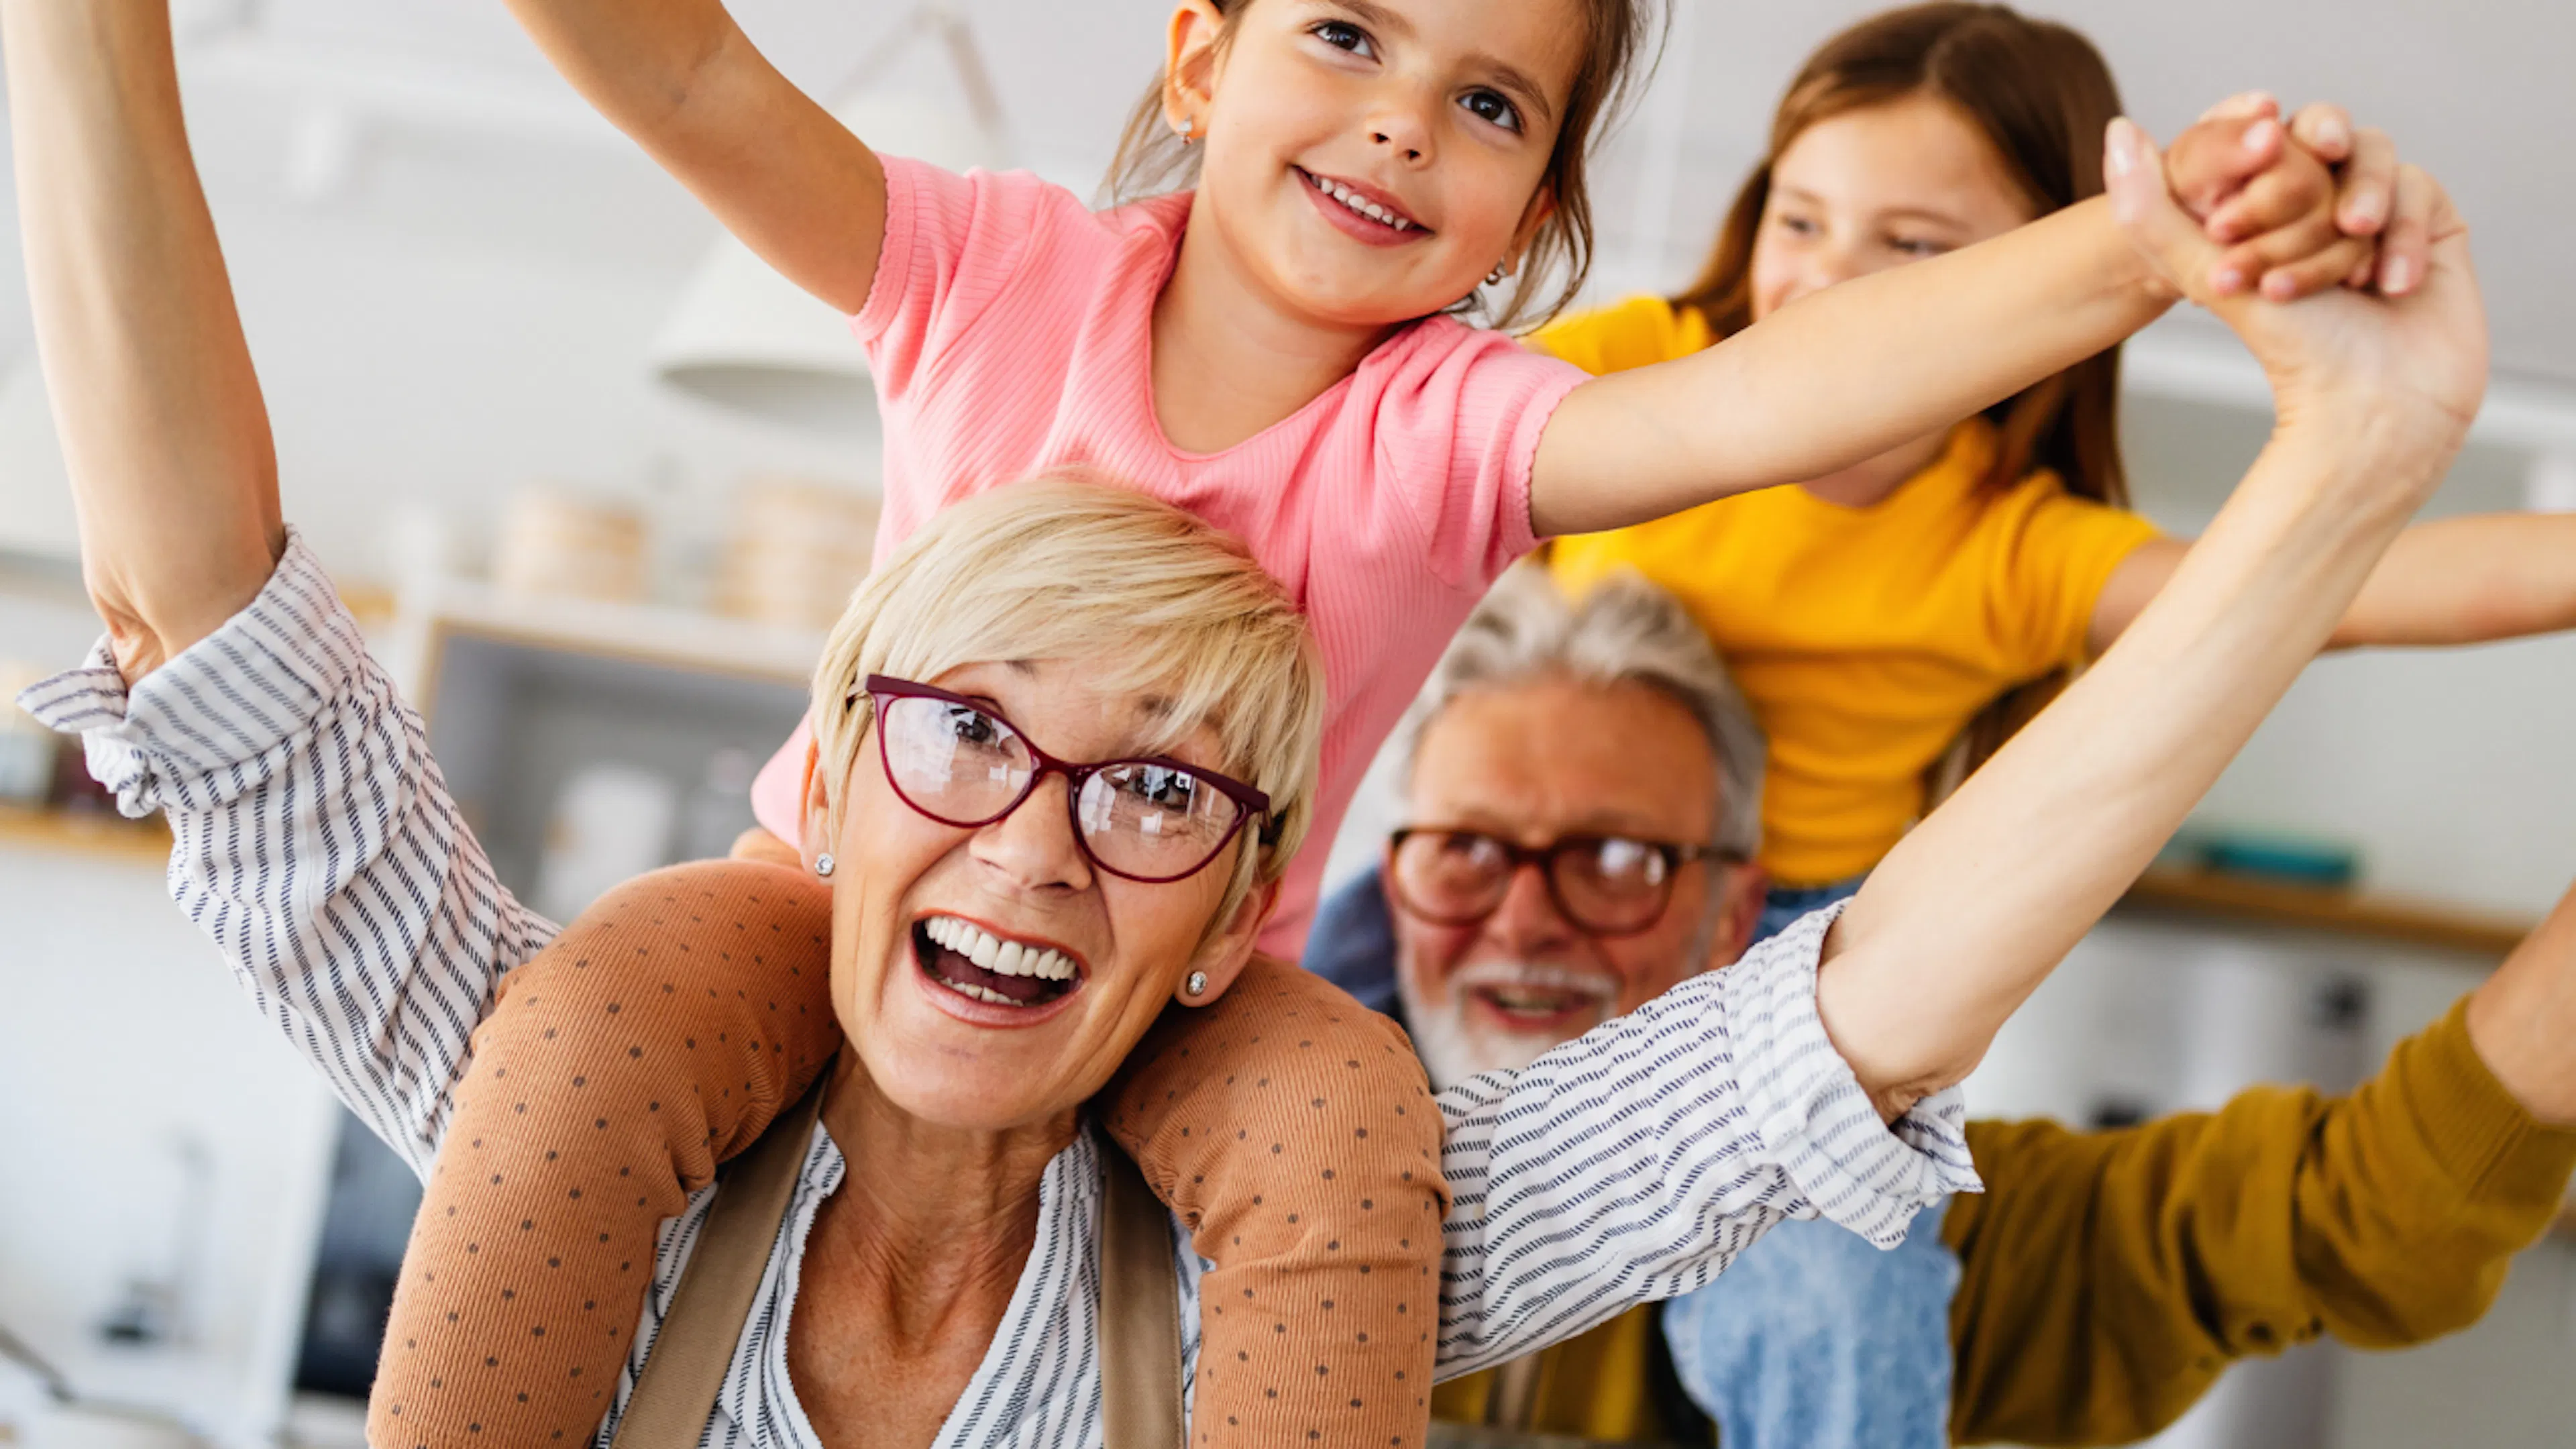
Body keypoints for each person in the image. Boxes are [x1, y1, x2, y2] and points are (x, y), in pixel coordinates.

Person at [378, 0, 2427, 1434]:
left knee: (1353, 1128)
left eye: (1489, 106)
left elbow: (1777, 389)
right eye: (1345, 35)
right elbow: (685, 66)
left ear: (1534, 222)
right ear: (1204, 50)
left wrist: (2141, 248)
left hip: (1199, 995)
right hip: (827, 891)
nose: (1396, 124)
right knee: (595, 1015)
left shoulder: (1450, 430)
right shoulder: (996, 272)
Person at [1513, 8, 2576, 1442]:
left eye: (1914, 252)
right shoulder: (1640, 375)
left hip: (1805, 972)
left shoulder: (2010, 547)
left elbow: (2356, 587)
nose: (1828, 287)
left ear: (2045, 301)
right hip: (1506, 891)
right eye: (1802, 219)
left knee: (1832, 1305)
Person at [1321, 565, 2576, 1446]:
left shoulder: (1900, 1246)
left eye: (1616, 860)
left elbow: (2361, 1209)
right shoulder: (1227, 1185)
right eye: (1468, 852)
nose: (1525, 919)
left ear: (1732, 910)